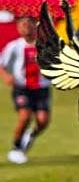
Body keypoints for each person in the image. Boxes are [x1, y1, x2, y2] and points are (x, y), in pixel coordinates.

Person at [1, 15, 51, 164]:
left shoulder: (46, 45)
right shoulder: (14, 46)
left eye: (28, 24)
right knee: (25, 116)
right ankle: (16, 148)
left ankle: (30, 135)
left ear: (35, 26)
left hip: (41, 87)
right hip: (22, 88)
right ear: (18, 28)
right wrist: (6, 76)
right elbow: (1, 63)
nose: (25, 28)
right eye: (22, 25)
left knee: (42, 121)